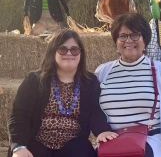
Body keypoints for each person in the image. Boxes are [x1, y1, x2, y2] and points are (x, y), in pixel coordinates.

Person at [95, 13, 161, 157]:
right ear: (116, 41)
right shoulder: (102, 72)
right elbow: (92, 110)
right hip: (113, 141)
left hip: (153, 139)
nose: (128, 40)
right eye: (122, 36)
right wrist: (100, 131)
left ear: (145, 40)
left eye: (135, 35)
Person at [8, 29, 117, 157]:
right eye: (63, 49)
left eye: (74, 49)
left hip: (73, 145)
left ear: (80, 53)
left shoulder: (90, 82)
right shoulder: (35, 81)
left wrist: (102, 131)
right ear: (53, 52)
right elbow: (19, 116)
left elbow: (95, 112)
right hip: (36, 143)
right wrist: (18, 146)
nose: (69, 53)